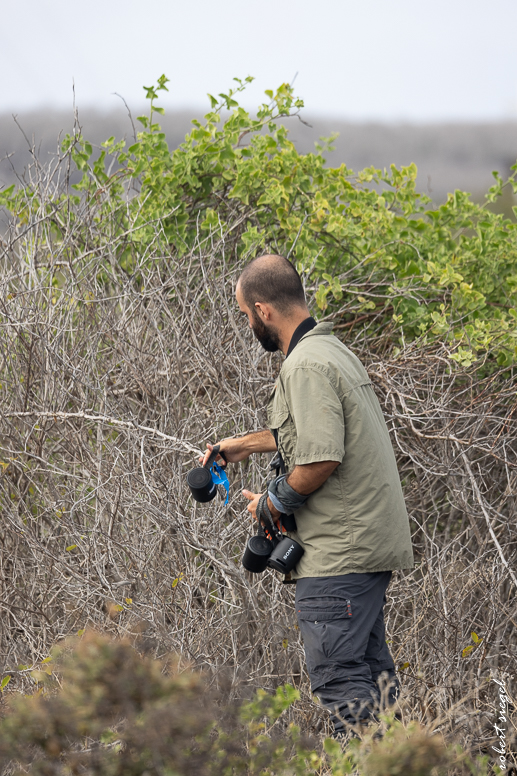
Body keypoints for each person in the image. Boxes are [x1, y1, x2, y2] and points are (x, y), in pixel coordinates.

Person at [201, 253, 414, 736]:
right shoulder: (331, 350)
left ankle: (364, 766)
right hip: (364, 549)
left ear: (263, 311)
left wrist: (271, 504)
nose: (248, 324)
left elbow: (320, 459)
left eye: (245, 314)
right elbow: (314, 430)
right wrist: (242, 445)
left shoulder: (304, 366)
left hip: (337, 556)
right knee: (373, 681)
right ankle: (403, 761)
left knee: (341, 683)